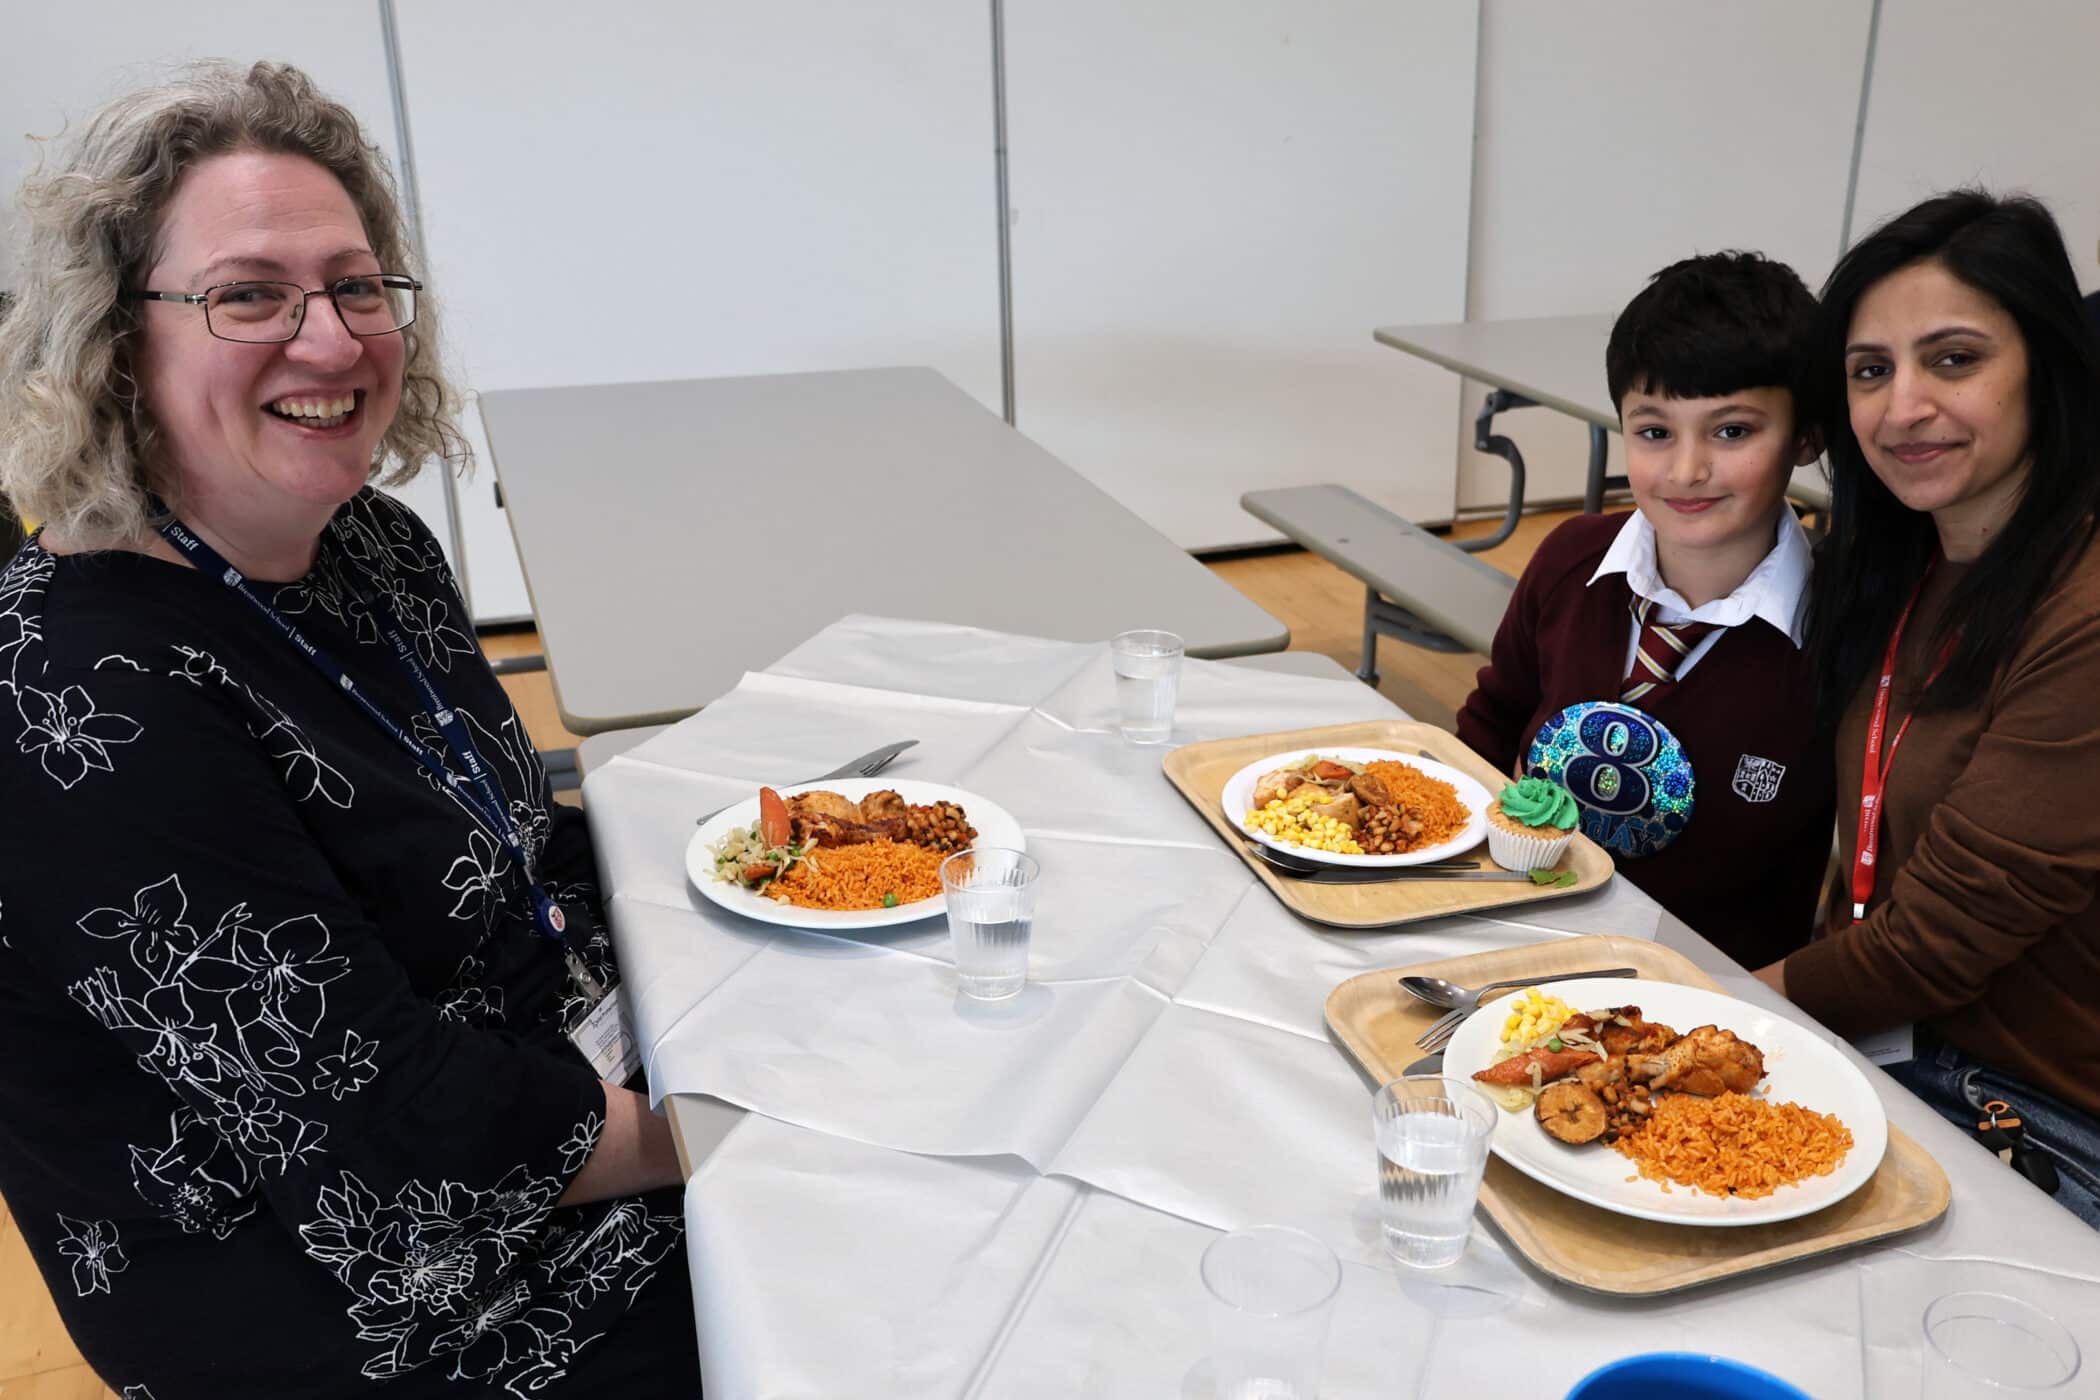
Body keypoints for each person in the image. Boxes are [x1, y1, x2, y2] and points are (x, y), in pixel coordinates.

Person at [0, 63, 701, 1394]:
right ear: (114, 339)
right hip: (352, 1292)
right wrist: (731, 1129)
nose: (330, 340)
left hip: (533, 1089)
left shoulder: (365, 547)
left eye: (357, 285)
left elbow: (492, 850)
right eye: (248, 293)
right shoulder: (68, 699)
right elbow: (397, 1134)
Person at [1762, 190, 2100, 1228]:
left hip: (2038, 1121)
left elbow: (1938, 943)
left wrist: (1711, 996)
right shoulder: (1909, 557)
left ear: (2045, 367)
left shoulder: (2084, 608)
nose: (1901, 408)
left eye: (1954, 360)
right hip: (1894, 1048)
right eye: (1872, 370)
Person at [1457, 252, 1834, 968]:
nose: (1686, 471)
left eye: (1732, 432)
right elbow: (1488, 726)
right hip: (1517, 935)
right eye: (1655, 432)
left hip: (1711, 996)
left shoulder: (1842, 626)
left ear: (1807, 437)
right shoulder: (1572, 559)